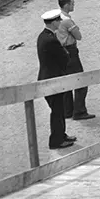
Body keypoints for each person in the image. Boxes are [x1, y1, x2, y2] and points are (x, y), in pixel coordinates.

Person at [37, 9, 76, 149]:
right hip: (52, 80)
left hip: (49, 78)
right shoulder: (51, 40)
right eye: (58, 20)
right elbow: (64, 57)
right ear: (53, 22)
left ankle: (61, 134)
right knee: (57, 111)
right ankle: (56, 140)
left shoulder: (44, 36)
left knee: (59, 109)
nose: (60, 22)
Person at [56, 0, 95, 120]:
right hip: (70, 51)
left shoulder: (57, 17)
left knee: (66, 81)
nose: (73, 5)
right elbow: (78, 36)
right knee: (81, 81)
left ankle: (68, 110)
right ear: (66, 5)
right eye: (72, 3)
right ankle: (79, 111)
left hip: (61, 52)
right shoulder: (67, 20)